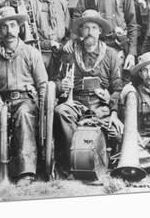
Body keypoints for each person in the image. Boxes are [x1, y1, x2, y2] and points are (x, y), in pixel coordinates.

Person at [52, 10, 123, 177]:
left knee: (117, 132)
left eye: (94, 27)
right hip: (76, 103)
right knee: (61, 112)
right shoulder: (69, 54)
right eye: (86, 28)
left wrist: (113, 111)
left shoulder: (111, 55)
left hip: (101, 106)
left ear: (100, 32)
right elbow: (56, 81)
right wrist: (62, 85)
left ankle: (104, 163)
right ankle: (74, 159)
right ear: (80, 32)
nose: (90, 31)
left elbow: (118, 88)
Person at [0, 7, 48, 186]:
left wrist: (43, 110)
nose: (9, 30)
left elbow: (42, 85)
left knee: (23, 114)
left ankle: (26, 171)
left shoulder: (31, 53)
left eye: (13, 25)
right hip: (1, 102)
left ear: (19, 28)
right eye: (4, 27)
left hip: (26, 101)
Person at [29, 0, 70, 69]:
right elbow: (30, 34)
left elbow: (68, 32)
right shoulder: (32, 3)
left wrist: (65, 46)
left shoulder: (62, 4)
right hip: (40, 54)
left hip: (61, 54)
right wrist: (48, 44)